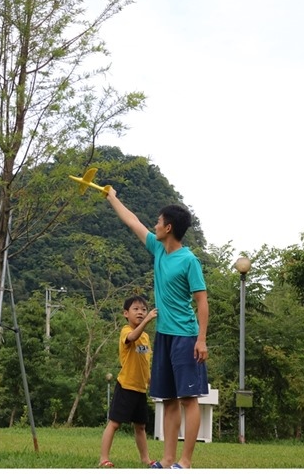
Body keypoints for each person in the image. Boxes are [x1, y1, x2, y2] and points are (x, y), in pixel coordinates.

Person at [105, 188, 209, 470]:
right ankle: (166, 460)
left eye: (158, 221)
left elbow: (201, 301)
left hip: (186, 336)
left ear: (169, 227)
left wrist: (201, 339)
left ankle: (185, 462)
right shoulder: (158, 250)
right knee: (169, 399)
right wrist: (112, 196)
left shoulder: (189, 260)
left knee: (189, 399)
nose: (154, 225)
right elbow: (133, 222)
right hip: (163, 336)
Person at [99, 295, 158, 468]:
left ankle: (146, 459)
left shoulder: (146, 337)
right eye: (136, 309)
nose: (140, 312)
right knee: (115, 423)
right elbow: (132, 337)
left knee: (140, 426)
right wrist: (146, 320)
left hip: (140, 389)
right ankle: (103, 458)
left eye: (144, 309)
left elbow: (145, 361)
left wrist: (150, 382)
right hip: (126, 385)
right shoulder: (126, 330)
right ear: (126, 313)